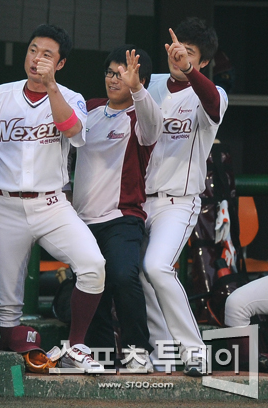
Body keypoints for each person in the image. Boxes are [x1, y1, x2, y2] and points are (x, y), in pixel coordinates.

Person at [0, 23, 105, 372]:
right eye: (33, 50)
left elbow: (74, 131)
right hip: (5, 204)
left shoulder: (70, 97)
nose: (36, 59)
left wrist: (52, 86)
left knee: (93, 265)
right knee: (6, 308)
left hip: (51, 204)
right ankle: (12, 347)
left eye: (47, 54)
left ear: (60, 64)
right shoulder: (0, 94)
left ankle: (76, 346)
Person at [139, 17, 228, 376]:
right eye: (177, 50)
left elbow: (212, 105)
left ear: (203, 60)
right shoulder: (152, 83)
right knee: (141, 274)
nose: (178, 57)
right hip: (137, 199)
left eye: (189, 53)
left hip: (178, 201)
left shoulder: (212, 91)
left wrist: (190, 70)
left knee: (156, 267)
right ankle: (165, 352)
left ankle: (195, 352)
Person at [71, 45, 162, 372]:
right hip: (80, 222)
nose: (113, 79)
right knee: (91, 286)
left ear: (140, 80)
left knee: (124, 278)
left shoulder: (144, 116)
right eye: (110, 72)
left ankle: (139, 354)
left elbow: (152, 124)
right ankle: (102, 357)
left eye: (122, 75)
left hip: (123, 217)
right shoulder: (90, 108)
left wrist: (137, 88)